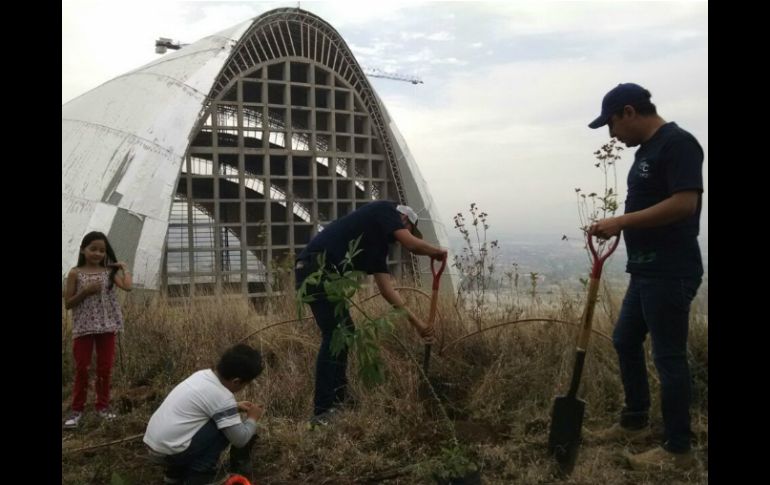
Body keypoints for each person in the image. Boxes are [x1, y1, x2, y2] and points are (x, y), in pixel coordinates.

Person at [586, 83, 704, 471]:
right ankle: (635, 422)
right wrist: (623, 226)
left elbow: (685, 203)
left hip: (670, 270)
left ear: (629, 112)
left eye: (612, 125)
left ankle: (677, 450)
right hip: (647, 269)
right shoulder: (647, 151)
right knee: (624, 340)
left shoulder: (678, 144)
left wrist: (621, 220)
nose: (612, 135)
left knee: (668, 357)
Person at [294, 201, 448, 425]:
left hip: (319, 271)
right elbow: (412, 245)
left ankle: (339, 400)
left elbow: (387, 291)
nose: (398, 240)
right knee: (336, 334)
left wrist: (419, 325)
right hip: (317, 269)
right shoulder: (386, 209)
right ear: (404, 219)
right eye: (406, 231)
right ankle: (323, 410)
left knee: (344, 333)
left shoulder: (377, 246)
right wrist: (437, 252)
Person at [143, 344, 265, 485]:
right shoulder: (223, 397)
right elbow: (240, 439)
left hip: (155, 444)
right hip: (169, 452)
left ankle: (174, 476)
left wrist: (235, 407)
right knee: (224, 429)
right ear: (236, 381)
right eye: (246, 384)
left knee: (220, 421)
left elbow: (202, 408)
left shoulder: (202, 375)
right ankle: (200, 475)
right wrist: (252, 418)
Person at [63, 231, 133, 428]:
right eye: (93, 249)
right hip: (84, 327)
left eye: (102, 250)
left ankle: (102, 407)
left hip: (107, 325)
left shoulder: (108, 273)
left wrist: (124, 268)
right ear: (83, 250)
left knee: (105, 368)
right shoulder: (75, 273)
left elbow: (127, 287)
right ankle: (76, 410)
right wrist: (85, 292)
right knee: (82, 368)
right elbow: (68, 303)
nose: (97, 253)